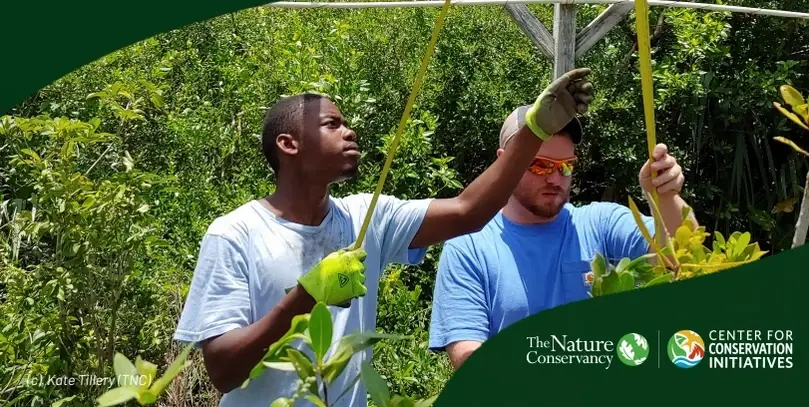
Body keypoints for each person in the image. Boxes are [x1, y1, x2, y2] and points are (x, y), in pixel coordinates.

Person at [172, 68, 595, 407]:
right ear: (289, 143)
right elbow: (223, 371)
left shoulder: (366, 219)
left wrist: (534, 132)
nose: (349, 131)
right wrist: (307, 295)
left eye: (346, 123)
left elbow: (468, 211)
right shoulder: (235, 233)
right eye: (332, 124)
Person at [427, 104, 698, 371]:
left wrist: (666, 197)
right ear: (504, 162)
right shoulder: (469, 246)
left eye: (566, 166)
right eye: (540, 166)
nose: (555, 179)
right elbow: (468, 359)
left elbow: (680, 257)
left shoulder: (600, 224)